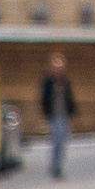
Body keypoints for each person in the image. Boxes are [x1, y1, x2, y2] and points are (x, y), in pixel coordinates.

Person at [40, 51, 78, 179]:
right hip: (53, 116)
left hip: (63, 116)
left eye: (60, 66)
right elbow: (44, 99)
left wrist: (72, 112)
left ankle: (59, 166)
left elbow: (70, 98)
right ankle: (54, 166)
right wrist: (45, 112)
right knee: (55, 142)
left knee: (63, 142)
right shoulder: (48, 82)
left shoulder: (65, 81)